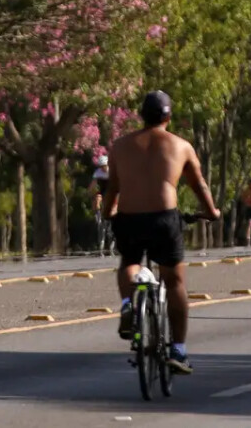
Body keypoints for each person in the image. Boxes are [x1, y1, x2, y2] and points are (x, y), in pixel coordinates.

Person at [103, 90, 220, 374]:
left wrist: (108, 213)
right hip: (164, 219)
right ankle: (178, 350)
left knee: (129, 262)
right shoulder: (181, 146)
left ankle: (129, 305)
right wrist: (212, 212)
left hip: (129, 218)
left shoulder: (120, 146)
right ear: (168, 117)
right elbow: (199, 185)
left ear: (141, 116)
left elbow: (113, 188)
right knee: (174, 280)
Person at [90, 155, 113, 253]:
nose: (103, 168)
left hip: (111, 191)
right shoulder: (98, 172)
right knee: (97, 198)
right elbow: (93, 184)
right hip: (102, 191)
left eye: (104, 166)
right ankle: (97, 214)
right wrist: (90, 192)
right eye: (101, 166)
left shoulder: (112, 171)